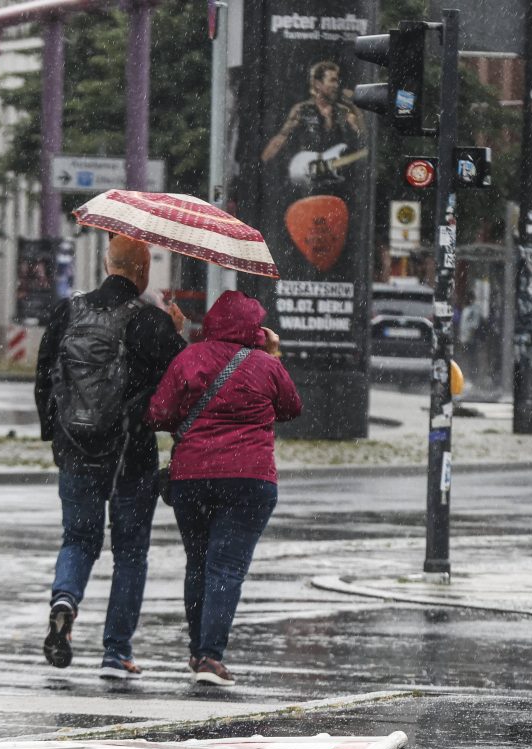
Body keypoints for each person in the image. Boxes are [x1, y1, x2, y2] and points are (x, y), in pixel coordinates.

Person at [34, 234, 187, 679]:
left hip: (76, 450)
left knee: (78, 540)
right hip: (131, 456)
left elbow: (45, 376)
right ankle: (115, 652)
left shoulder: (68, 311)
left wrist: (56, 436)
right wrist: (176, 334)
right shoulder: (152, 322)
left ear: (106, 263)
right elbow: (182, 382)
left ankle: (65, 599)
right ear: (142, 272)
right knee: (130, 553)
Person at [145, 290, 302, 687]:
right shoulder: (266, 365)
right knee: (226, 567)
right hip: (249, 479)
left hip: (191, 478)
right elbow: (290, 408)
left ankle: (199, 652)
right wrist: (274, 353)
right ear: (255, 328)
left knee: (198, 562)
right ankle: (211, 657)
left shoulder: (189, 358)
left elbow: (158, 414)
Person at [260, 60, 364, 196]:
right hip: (308, 184)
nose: (336, 85)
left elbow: (363, 140)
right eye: (332, 80)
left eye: (337, 81)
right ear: (317, 84)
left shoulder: (343, 112)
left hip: (337, 186)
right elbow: (281, 138)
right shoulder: (302, 110)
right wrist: (262, 162)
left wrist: (355, 108)